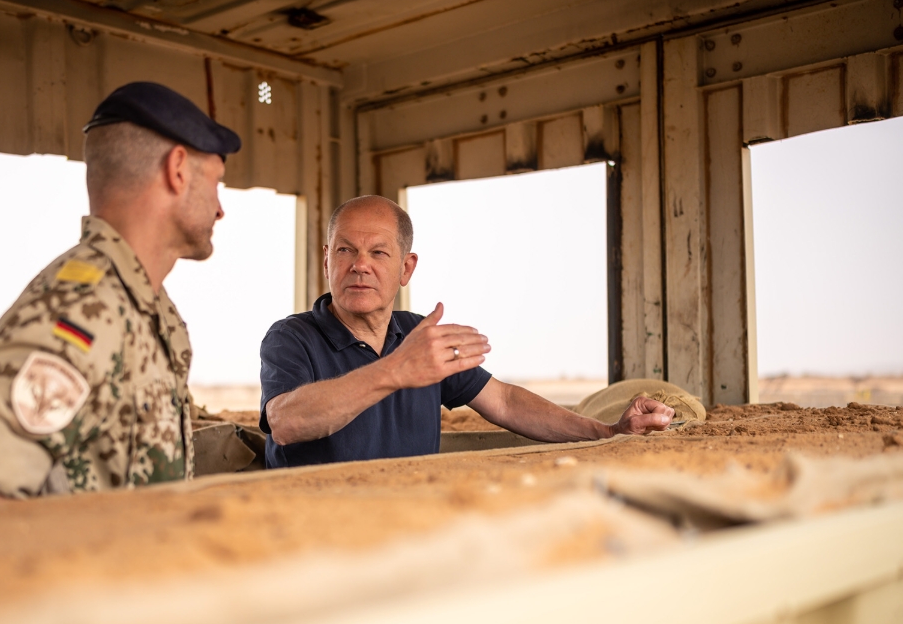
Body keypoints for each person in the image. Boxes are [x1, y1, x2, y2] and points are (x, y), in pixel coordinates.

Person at [0, 81, 240, 503]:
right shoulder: (82, 309)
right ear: (178, 169)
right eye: (216, 183)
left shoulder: (151, 308)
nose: (220, 208)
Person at [258, 195, 673, 468]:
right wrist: (395, 370)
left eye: (378, 252)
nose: (359, 264)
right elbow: (286, 422)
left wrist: (608, 432)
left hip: (410, 520)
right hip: (315, 528)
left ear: (406, 268)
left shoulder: (419, 336)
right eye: (346, 249)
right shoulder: (292, 338)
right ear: (328, 260)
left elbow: (506, 402)